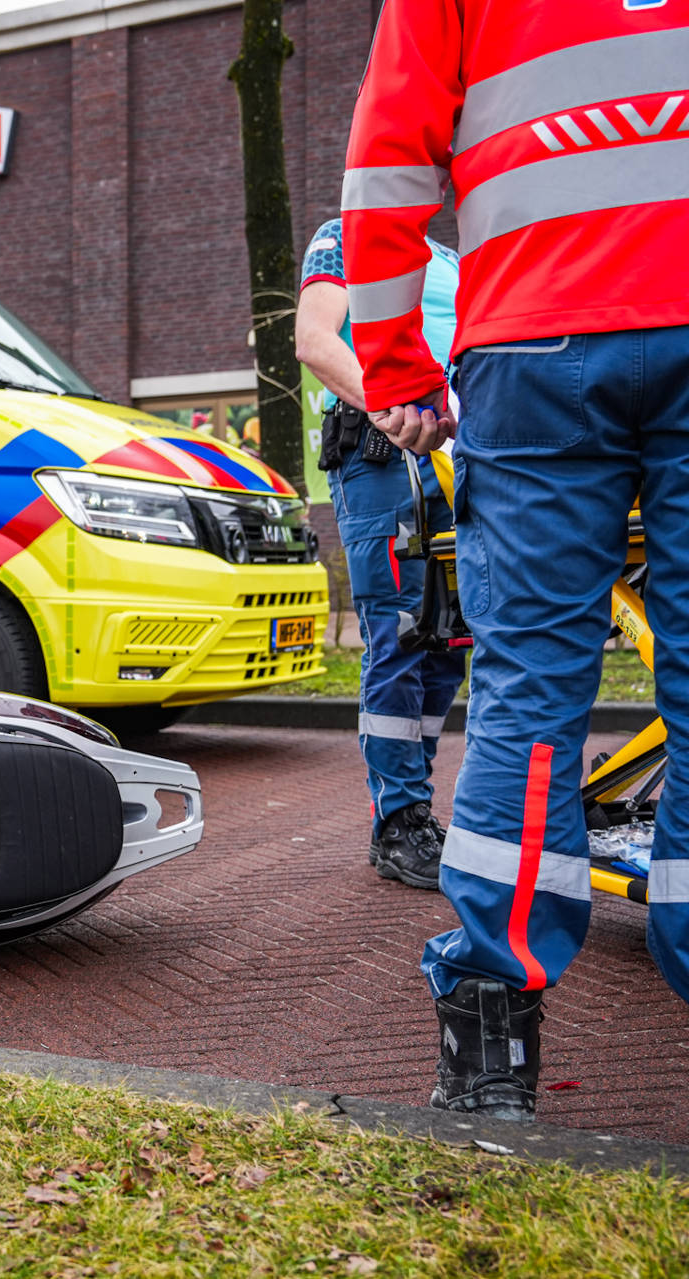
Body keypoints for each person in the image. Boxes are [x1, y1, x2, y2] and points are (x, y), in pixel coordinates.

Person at [343, 0, 689, 1121]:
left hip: (535, 334)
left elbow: (387, 161)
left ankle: (490, 1035)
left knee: (529, 686)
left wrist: (397, 368)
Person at [297, 217, 466, 889]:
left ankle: (410, 809)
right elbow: (315, 340)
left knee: (448, 641)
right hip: (385, 454)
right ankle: (398, 820)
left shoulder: (456, 257)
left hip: (459, 457)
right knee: (399, 630)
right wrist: (394, 407)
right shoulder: (347, 234)